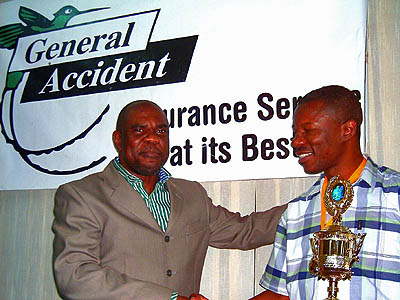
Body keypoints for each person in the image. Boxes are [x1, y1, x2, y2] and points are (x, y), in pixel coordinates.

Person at [52, 100, 287, 300]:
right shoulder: (82, 195)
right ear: (118, 139)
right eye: (139, 131)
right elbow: (75, 276)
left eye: (161, 131)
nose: (153, 139)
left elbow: (245, 230)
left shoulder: (192, 194)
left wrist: (310, 207)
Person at [250, 85, 400, 300]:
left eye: (308, 131)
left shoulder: (394, 195)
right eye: (295, 133)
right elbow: (280, 295)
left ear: (347, 130)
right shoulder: (296, 212)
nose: (296, 142)